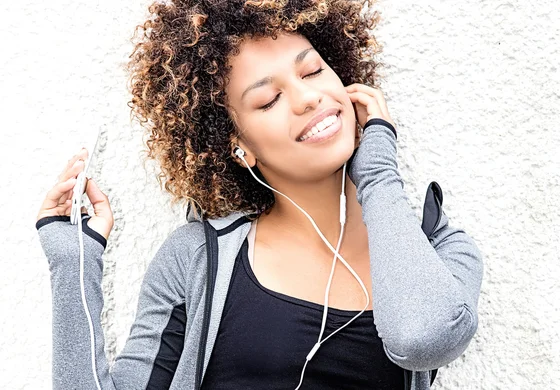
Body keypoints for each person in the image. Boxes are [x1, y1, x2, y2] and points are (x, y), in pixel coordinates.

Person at [35, 0, 484, 389]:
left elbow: (422, 338)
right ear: (238, 147)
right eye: (268, 100)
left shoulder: (438, 247)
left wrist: (379, 173)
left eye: (312, 70)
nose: (308, 97)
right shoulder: (197, 259)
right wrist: (73, 261)